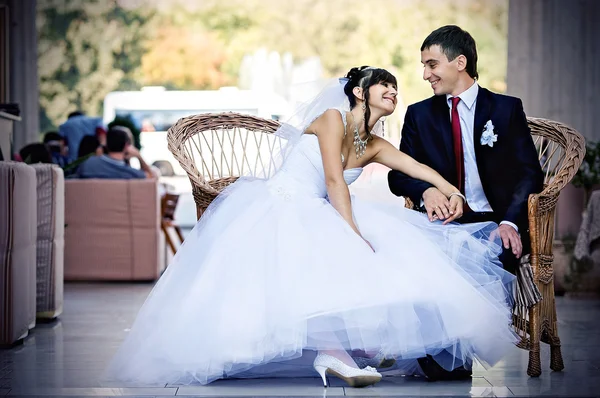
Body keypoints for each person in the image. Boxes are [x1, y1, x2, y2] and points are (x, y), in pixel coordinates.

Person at [105, 66, 517, 388]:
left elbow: (417, 168)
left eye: (396, 88)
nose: (394, 91)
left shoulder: (373, 144)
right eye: (384, 85)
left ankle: (360, 345)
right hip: (283, 205)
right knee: (344, 244)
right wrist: (352, 233)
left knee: (391, 245)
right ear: (360, 91)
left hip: (321, 207)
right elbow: (335, 181)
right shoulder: (332, 118)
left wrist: (453, 192)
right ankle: (339, 349)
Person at [387, 25, 544, 380]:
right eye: (424, 66)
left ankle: (455, 354)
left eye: (432, 64)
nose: (425, 74)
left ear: (460, 62)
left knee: (484, 255)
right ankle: (438, 353)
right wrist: (426, 191)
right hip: (442, 224)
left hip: (497, 223)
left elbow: (529, 175)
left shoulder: (505, 109)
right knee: (409, 253)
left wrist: (512, 223)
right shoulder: (419, 115)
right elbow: (397, 176)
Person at [74, 126, 156, 179]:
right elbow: (152, 177)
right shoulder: (132, 174)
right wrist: (138, 156)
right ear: (126, 146)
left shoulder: (86, 165)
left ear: (106, 144)